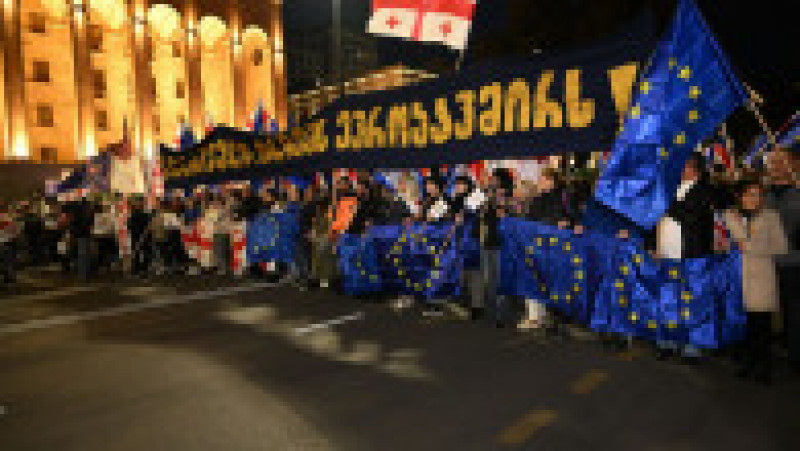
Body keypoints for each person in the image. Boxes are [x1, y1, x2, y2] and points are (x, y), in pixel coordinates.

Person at [654, 153, 717, 363]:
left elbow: (689, 216)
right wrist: (654, 246)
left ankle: (692, 348)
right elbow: (658, 220)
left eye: (683, 165)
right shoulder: (673, 189)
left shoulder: (703, 191)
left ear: (694, 168)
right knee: (668, 301)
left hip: (692, 256)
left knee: (692, 302)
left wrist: (666, 201)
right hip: (667, 254)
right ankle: (668, 343)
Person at [725, 179, 789, 385]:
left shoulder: (771, 217)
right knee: (745, 325)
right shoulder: (729, 216)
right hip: (737, 277)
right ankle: (748, 362)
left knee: (762, 326)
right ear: (740, 196)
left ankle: (764, 367)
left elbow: (781, 247)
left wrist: (751, 247)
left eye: (759, 195)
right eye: (751, 194)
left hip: (761, 277)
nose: (756, 199)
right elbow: (721, 243)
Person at [518, 168, 582, 334]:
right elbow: (530, 221)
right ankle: (538, 317)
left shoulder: (564, 197)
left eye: (543, 179)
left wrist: (566, 222)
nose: (540, 181)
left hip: (557, 246)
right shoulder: (538, 200)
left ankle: (555, 318)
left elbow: (575, 218)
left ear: (552, 181)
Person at [765, 147, 800, 369]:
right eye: (772, 162)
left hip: (793, 263)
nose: (775, 166)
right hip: (766, 262)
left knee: (794, 309)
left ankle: (795, 354)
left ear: (795, 164)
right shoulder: (764, 195)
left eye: (780, 161)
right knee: (768, 309)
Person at [92, 201, 118, 274]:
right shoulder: (103, 217)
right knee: (104, 253)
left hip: (104, 237)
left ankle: (105, 266)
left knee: (103, 253)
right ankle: (105, 266)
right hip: (105, 237)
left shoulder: (101, 217)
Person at [1, 202, 19, 284]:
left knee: (6, 260)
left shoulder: (8, 219)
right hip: (7, 241)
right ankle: (9, 276)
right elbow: (15, 231)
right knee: (8, 260)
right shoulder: (8, 218)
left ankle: (8, 275)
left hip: (5, 241)